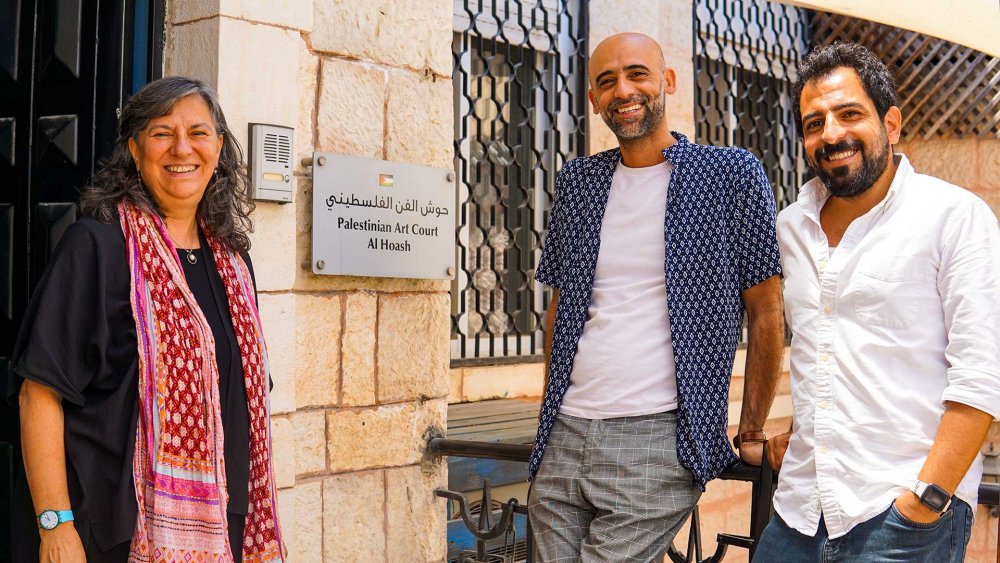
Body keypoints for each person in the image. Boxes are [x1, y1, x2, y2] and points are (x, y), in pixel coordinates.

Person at [527, 32, 785, 561]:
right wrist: (549, 416)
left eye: (637, 73)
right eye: (607, 81)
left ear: (667, 82)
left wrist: (752, 428)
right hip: (565, 432)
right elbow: (560, 309)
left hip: (657, 435)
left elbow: (766, 310)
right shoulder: (579, 182)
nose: (623, 89)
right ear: (594, 101)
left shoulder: (729, 175)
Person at [9, 76, 286, 562]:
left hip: (223, 531)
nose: (182, 148)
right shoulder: (97, 246)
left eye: (198, 133)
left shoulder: (234, 263)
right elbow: (40, 392)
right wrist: (55, 526)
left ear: (218, 149)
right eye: (162, 133)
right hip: (108, 531)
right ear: (135, 151)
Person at [754, 42, 1000, 562]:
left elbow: (982, 376)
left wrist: (926, 500)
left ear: (891, 123)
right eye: (814, 122)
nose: (832, 134)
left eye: (849, 114)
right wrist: (800, 435)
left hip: (900, 519)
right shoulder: (790, 228)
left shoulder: (953, 217)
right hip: (798, 510)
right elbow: (827, 349)